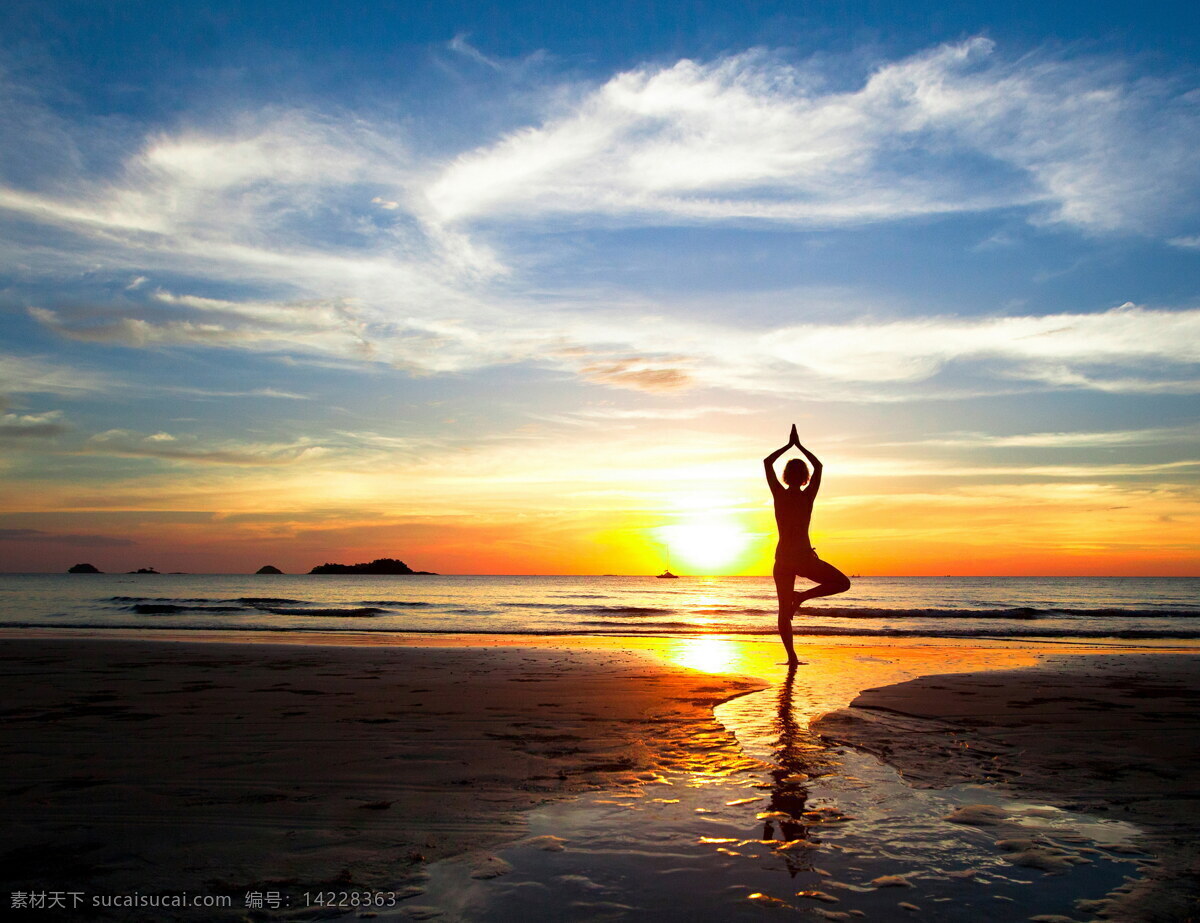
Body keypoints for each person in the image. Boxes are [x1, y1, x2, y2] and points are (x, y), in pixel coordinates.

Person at [764, 425, 851, 665]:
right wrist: (800, 446)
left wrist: (788, 446)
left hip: (783, 558)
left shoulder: (779, 495)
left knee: (783, 610)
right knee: (842, 583)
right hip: (802, 557)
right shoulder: (807, 495)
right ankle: (801, 597)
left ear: (786, 476)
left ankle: (792, 658)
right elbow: (819, 467)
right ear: (805, 477)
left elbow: (767, 462)